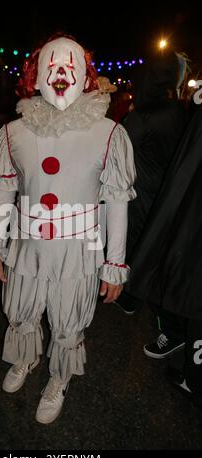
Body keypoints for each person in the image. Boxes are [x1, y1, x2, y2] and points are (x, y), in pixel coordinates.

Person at [0, 34, 136, 424]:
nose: (60, 72)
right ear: (34, 75)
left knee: (67, 323)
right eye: (51, 65)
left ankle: (59, 378)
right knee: (23, 313)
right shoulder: (13, 133)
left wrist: (115, 263)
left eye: (69, 65)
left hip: (77, 252)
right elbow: (4, 192)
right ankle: (26, 359)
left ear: (85, 77)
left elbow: (116, 201)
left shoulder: (108, 134)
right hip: (27, 247)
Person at [126, 103, 202, 405]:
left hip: (165, 202)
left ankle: (193, 374)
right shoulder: (181, 109)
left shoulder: (147, 114)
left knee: (170, 270)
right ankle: (174, 332)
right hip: (169, 197)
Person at [114, 49, 188, 317]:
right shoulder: (180, 110)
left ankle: (135, 297)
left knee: (137, 242)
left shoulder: (143, 115)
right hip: (169, 190)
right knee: (157, 244)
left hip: (143, 190)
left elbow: (118, 148)